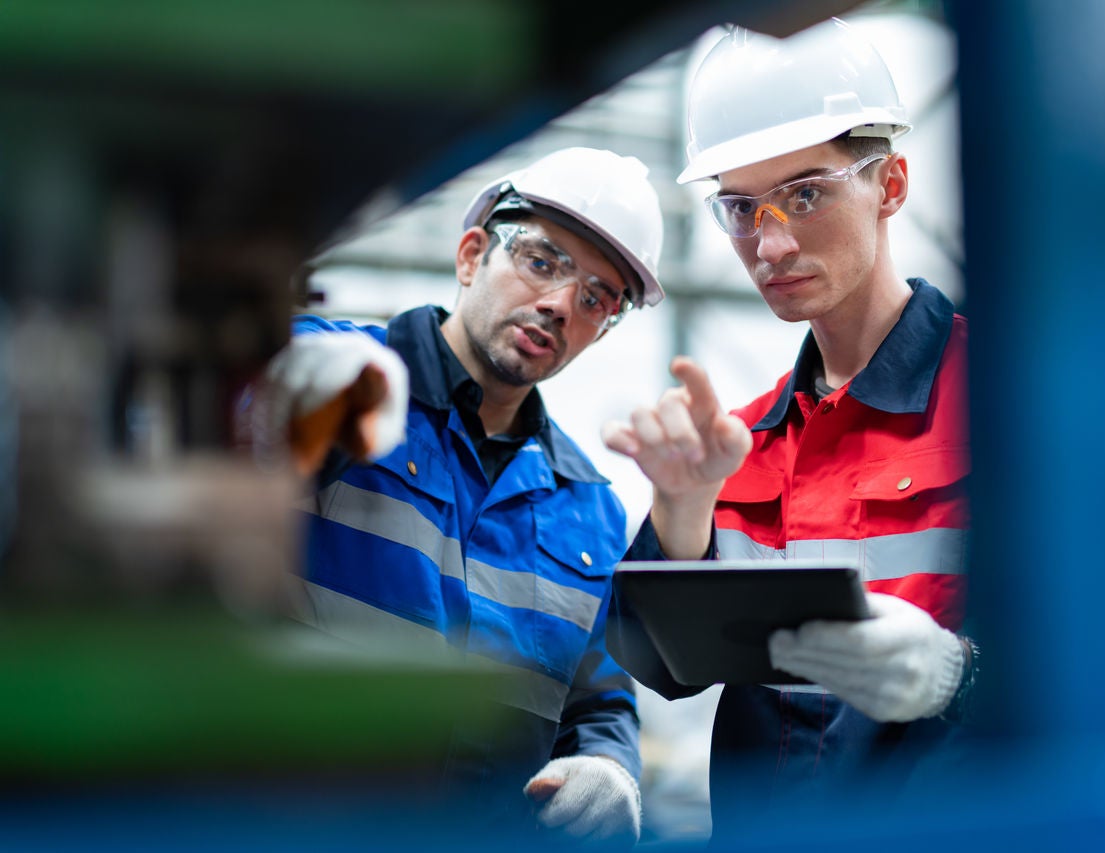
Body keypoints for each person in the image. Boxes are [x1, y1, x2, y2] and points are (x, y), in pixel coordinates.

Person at [602, 18, 978, 841]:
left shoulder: (1004, 407)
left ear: (890, 184)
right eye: (741, 207)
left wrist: (961, 677)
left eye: (805, 194)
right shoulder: (740, 444)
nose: (769, 243)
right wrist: (683, 510)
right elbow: (651, 665)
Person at [252, 147, 665, 847]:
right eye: (542, 260)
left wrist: (609, 764)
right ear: (472, 255)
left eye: (597, 297)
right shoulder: (343, 384)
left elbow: (598, 700)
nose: (561, 304)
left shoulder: (589, 509)